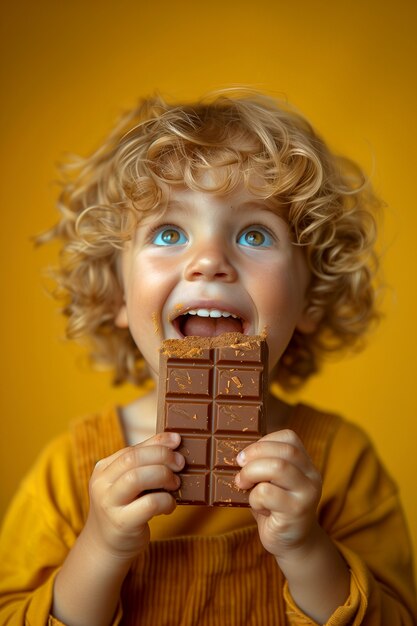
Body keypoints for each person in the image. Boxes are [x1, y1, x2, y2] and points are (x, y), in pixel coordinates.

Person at [0, 89, 416, 626]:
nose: (209, 261)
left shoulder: (342, 465)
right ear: (115, 294)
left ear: (311, 297)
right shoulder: (67, 474)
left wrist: (307, 550)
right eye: (169, 232)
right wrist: (100, 549)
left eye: (254, 232)